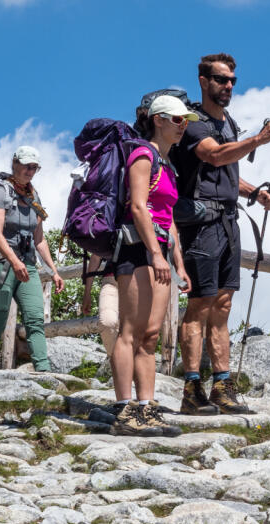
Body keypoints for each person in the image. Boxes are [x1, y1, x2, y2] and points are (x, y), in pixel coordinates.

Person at [174, 53, 270, 415]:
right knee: (200, 304)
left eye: (232, 81)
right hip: (200, 225)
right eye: (221, 80)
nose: (228, 86)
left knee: (222, 305)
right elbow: (214, 157)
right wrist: (259, 139)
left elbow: (225, 171)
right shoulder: (193, 123)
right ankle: (192, 389)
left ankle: (222, 386)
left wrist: (253, 192)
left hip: (227, 221)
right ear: (203, 80)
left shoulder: (228, 122)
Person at [108, 95, 194, 436]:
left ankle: (147, 407)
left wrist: (178, 263)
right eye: (177, 119)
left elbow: (168, 217)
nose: (183, 125)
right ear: (158, 119)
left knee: (151, 334)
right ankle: (124, 410)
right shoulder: (142, 155)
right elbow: (140, 208)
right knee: (130, 330)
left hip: (158, 249)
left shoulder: (167, 164)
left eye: (185, 120)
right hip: (135, 249)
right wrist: (156, 255)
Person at [0, 145, 65, 371]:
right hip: (2, 266)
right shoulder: (1, 192)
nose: (29, 171)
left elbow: (39, 239)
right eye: (26, 165)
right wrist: (14, 262)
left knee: (35, 320)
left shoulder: (33, 196)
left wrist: (53, 271)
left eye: (34, 167)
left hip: (28, 266)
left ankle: (44, 373)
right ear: (14, 163)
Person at [82, 254, 118, 360]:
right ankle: (118, 364)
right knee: (107, 322)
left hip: (140, 280)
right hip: (111, 280)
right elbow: (95, 257)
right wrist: (87, 292)